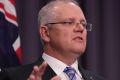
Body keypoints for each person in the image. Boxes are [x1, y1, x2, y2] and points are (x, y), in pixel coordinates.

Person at [2, 0, 105, 80]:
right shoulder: (14, 77)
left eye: (83, 24)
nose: (81, 28)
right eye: (69, 22)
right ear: (46, 33)